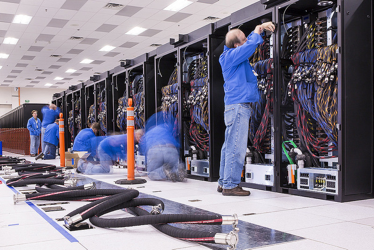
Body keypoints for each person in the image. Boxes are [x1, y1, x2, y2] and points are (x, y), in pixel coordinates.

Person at [218, 22, 275, 196]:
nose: (247, 40)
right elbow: (248, 47)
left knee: (229, 146)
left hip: (236, 106)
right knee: (236, 146)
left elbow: (248, 43)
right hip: (238, 107)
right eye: (243, 40)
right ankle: (230, 185)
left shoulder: (234, 55)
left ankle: (223, 181)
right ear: (236, 45)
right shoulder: (230, 57)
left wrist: (258, 30)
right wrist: (257, 32)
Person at [140, 111, 186, 182]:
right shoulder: (166, 130)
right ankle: (177, 170)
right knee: (174, 167)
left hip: (155, 149)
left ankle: (164, 171)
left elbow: (144, 148)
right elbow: (177, 141)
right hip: (171, 148)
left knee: (151, 173)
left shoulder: (148, 133)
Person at [77, 130, 143, 175]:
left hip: (105, 148)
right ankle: (83, 166)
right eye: (140, 137)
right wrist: (133, 165)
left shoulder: (129, 137)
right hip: (104, 149)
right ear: (137, 134)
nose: (140, 139)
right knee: (105, 169)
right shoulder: (129, 138)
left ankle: (84, 166)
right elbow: (127, 153)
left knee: (106, 169)